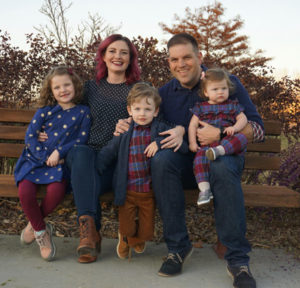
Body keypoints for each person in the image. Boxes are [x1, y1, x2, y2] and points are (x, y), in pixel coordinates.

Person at [115, 33, 263, 287]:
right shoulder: (164, 93)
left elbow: (257, 129)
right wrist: (125, 123)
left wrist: (221, 133)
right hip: (188, 163)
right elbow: (144, 116)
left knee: (222, 165)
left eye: (186, 57)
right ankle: (178, 247)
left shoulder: (225, 82)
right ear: (169, 62)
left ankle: (237, 259)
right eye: (174, 59)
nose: (180, 64)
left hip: (222, 158)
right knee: (161, 161)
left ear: (199, 57)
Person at [38, 34, 142, 263]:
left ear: (131, 59)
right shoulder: (88, 89)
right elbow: (64, 113)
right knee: (81, 153)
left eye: (124, 52)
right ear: (103, 56)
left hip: (116, 159)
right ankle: (88, 231)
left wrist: (132, 124)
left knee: (87, 176)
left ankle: (89, 237)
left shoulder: (138, 89)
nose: (118, 56)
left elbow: (153, 116)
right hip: (83, 155)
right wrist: (41, 130)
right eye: (112, 51)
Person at [97, 82, 187, 260]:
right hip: (127, 189)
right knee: (127, 225)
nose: (142, 114)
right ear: (130, 110)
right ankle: (125, 237)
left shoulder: (161, 129)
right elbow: (108, 151)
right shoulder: (124, 132)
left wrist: (160, 144)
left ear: (155, 111)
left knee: (147, 230)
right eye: (137, 109)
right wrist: (95, 169)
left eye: (147, 109)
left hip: (149, 190)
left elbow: (183, 148)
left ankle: (137, 238)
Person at [14, 66, 91, 261]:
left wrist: (59, 151)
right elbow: (30, 136)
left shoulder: (83, 112)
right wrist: (41, 157)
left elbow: (81, 139)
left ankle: (34, 224)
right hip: (34, 161)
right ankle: (42, 232)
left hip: (59, 163)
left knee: (57, 192)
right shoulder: (44, 111)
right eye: (57, 87)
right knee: (25, 192)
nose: (63, 90)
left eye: (67, 85)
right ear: (51, 91)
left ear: (75, 86)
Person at [188, 68, 248, 206]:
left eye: (223, 88)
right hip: (206, 147)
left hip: (226, 141)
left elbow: (243, 119)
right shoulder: (201, 108)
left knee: (241, 138)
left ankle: (219, 151)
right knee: (199, 160)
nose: (220, 92)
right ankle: (204, 190)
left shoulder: (232, 105)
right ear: (206, 92)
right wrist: (192, 142)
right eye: (215, 89)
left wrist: (235, 128)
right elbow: (192, 126)